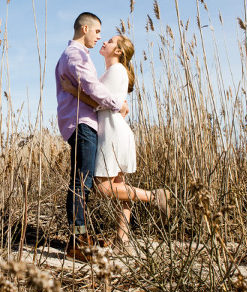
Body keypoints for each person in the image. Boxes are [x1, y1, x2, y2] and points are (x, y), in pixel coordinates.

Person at [61, 34, 170, 252]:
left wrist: (73, 90)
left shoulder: (115, 71)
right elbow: (114, 103)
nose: (104, 42)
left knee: (103, 188)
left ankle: (155, 196)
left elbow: (99, 102)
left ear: (118, 51)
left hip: (112, 133)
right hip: (116, 131)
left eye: (110, 41)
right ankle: (123, 240)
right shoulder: (114, 73)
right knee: (121, 188)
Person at [55, 13, 129, 261]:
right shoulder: (75, 55)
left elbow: (86, 89)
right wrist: (117, 103)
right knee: (80, 184)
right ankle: (77, 241)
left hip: (81, 122)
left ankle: (82, 235)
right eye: (97, 32)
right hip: (82, 123)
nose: (99, 37)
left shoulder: (76, 55)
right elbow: (92, 87)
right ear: (85, 28)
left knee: (82, 184)